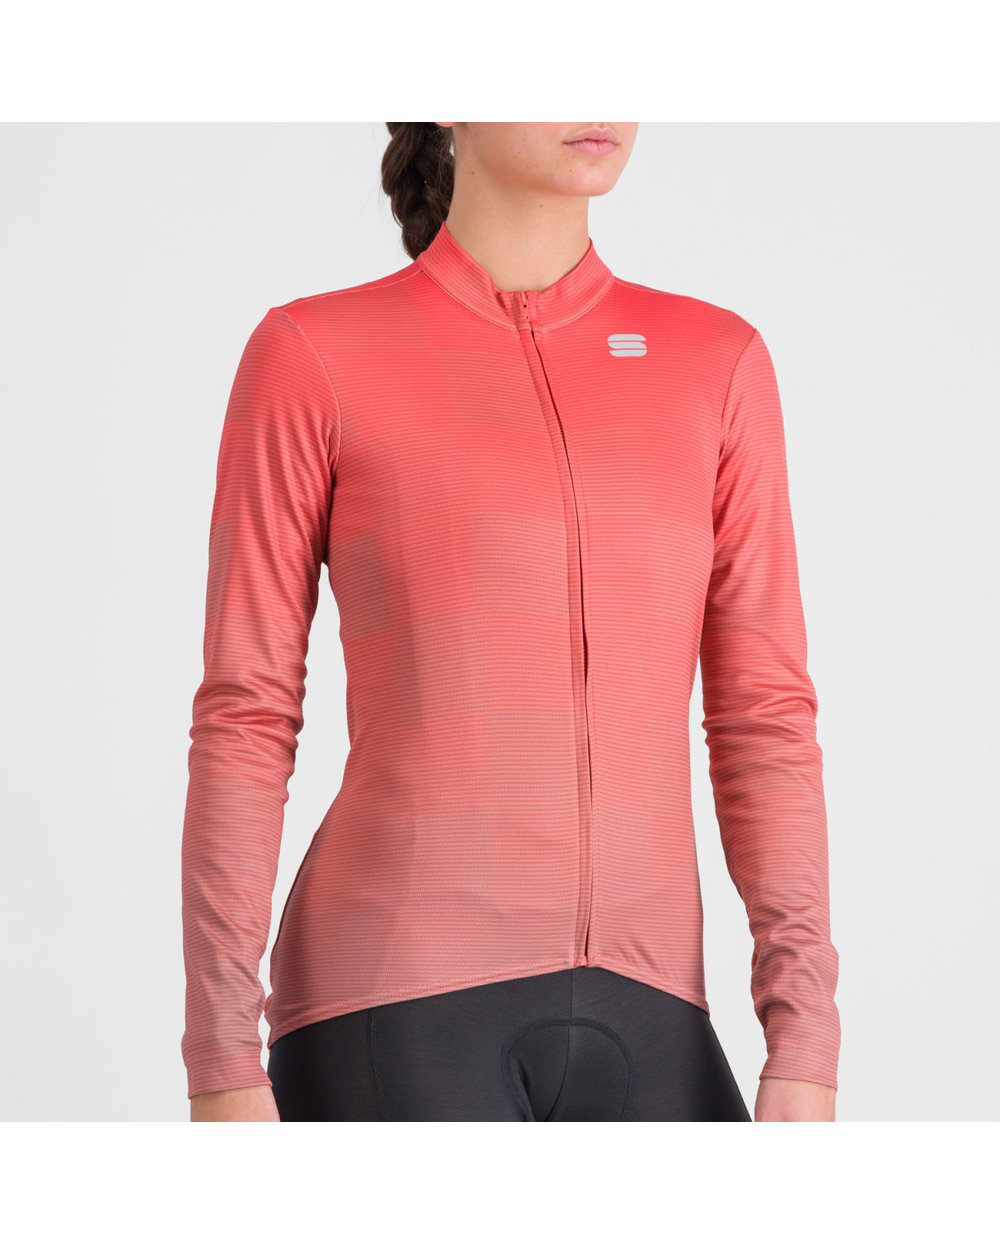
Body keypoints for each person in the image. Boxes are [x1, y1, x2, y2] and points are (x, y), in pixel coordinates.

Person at [181, 122, 841, 1122]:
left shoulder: (715, 361)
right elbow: (247, 713)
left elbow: (765, 717)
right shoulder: (315, 353)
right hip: (393, 1001)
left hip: (656, 1003)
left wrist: (805, 1041)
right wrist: (222, 1055)